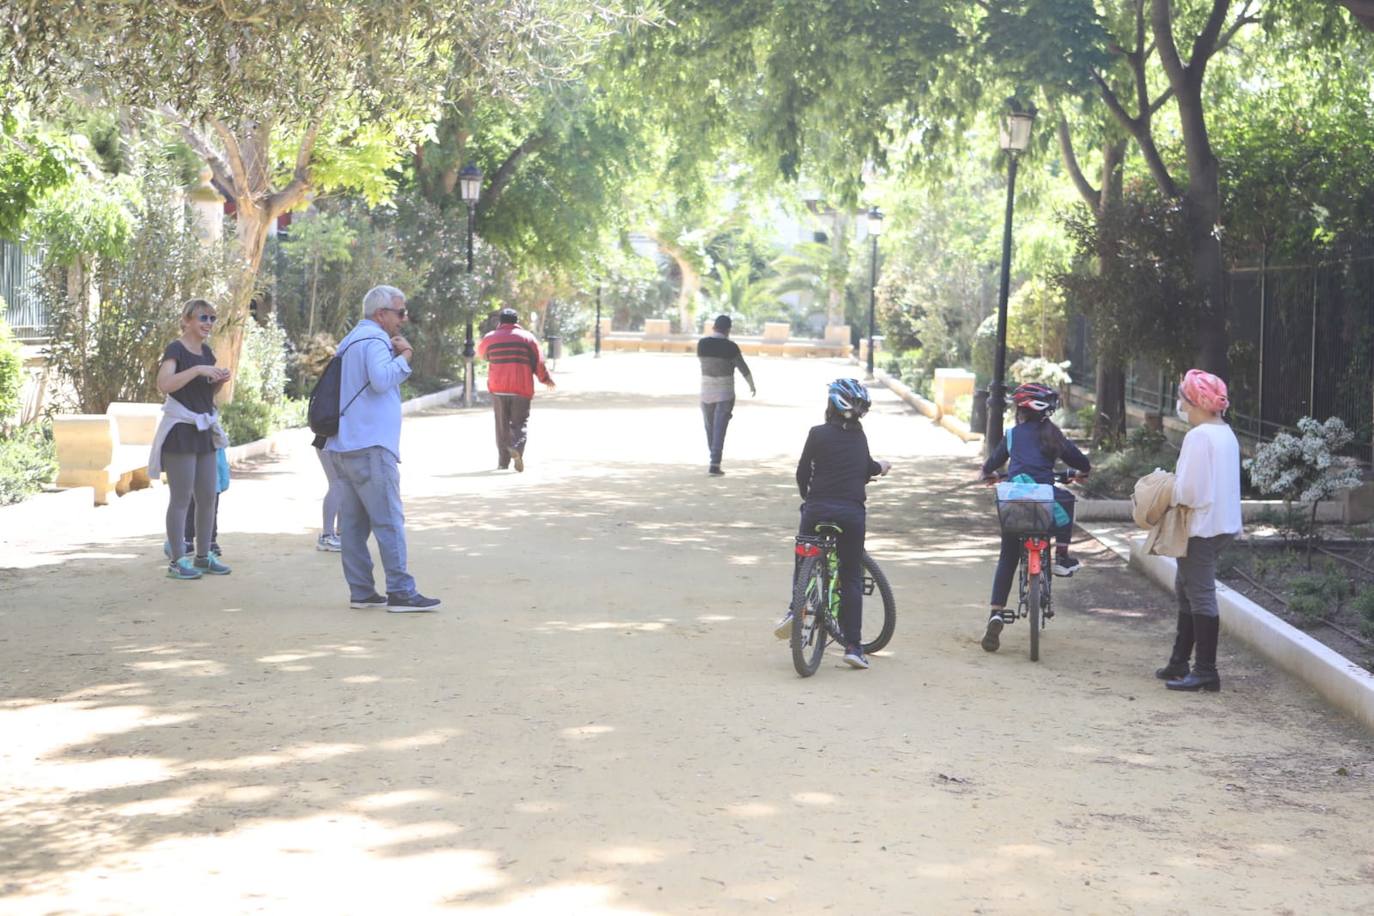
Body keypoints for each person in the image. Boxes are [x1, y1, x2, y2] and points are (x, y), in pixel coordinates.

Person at [324, 285, 440, 612]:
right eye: (400, 312)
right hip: (371, 445)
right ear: (381, 314)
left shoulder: (350, 340)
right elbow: (379, 379)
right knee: (388, 519)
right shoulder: (374, 340)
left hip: (345, 445)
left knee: (353, 525)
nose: (404, 319)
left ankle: (361, 590)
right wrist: (405, 358)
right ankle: (401, 591)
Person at [774, 379, 891, 669]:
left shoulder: (816, 434)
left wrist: (808, 498)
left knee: (803, 560)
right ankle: (853, 646)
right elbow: (866, 469)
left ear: (831, 405)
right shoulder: (859, 438)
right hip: (851, 515)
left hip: (816, 510)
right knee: (851, 576)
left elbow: (802, 472)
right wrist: (882, 467)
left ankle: (795, 609)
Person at [979, 382, 1091, 652]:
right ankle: (1062, 557)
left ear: (1020, 410)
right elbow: (1082, 463)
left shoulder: (1012, 435)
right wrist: (1077, 474)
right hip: (1044, 502)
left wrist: (991, 476)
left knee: (1008, 556)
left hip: (1014, 503)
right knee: (1065, 500)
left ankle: (996, 612)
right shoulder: (1053, 435)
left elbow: (990, 465)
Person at [1158, 369, 1242, 692]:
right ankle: (1179, 662)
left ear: (1195, 402)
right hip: (1222, 525)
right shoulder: (1226, 434)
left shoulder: (1198, 437)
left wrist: (1167, 489)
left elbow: (1189, 492)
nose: (1181, 404)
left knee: (1200, 594)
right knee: (1186, 587)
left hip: (1200, 527)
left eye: (1183, 398)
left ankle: (1205, 669)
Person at [148, 298, 231, 580]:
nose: (208, 323)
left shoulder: (207, 352)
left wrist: (218, 379)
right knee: (181, 498)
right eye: (202, 318)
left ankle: (203, 555)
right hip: (181, 430)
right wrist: (197, 370)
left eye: (212, 318)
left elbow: (205, 394)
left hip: (203, 428)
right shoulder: (176, 349)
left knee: (208, 496)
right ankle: (176, 561)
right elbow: (165, 384)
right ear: (186, 320)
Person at [476, 308, 555, 472]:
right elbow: (538, 363)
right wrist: (545, 379)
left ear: (500, 321)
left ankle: (503, 462)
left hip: (498, 388)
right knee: (519, 423)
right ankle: (516, 448)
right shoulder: (528, 338)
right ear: (516, 321)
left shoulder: (490, 338)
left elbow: (482, 354)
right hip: (521, 387)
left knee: (501, 425)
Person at [697, 314, 755, 476]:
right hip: (725, 393)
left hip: (706, 392)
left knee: (710, 427)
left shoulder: (702, 344)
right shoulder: (731, 347)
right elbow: (743, 367)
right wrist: (751, 385)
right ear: (728, 330)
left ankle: (713, 458)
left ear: (714, 327)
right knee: (720, 428)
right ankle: (715, 464)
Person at [315, 443, 342, 551]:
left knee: (343, 485)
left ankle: (340, 533)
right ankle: (327, 536)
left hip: (332, 442)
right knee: (337, 484)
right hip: (329, 442)